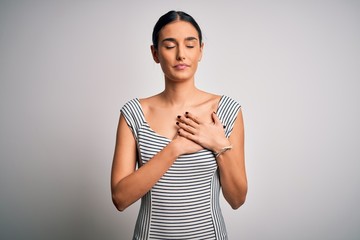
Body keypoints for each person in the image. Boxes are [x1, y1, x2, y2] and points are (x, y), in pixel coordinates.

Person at [111, 10, 247, 240]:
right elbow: (120, 199)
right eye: (170, 45)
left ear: (201, 50)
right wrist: (175, 149)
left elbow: (237, 200)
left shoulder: (227, 111)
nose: (181, 54)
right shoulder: (134, 113)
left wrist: (219, 146)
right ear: (155, 53)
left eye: (190, 45)